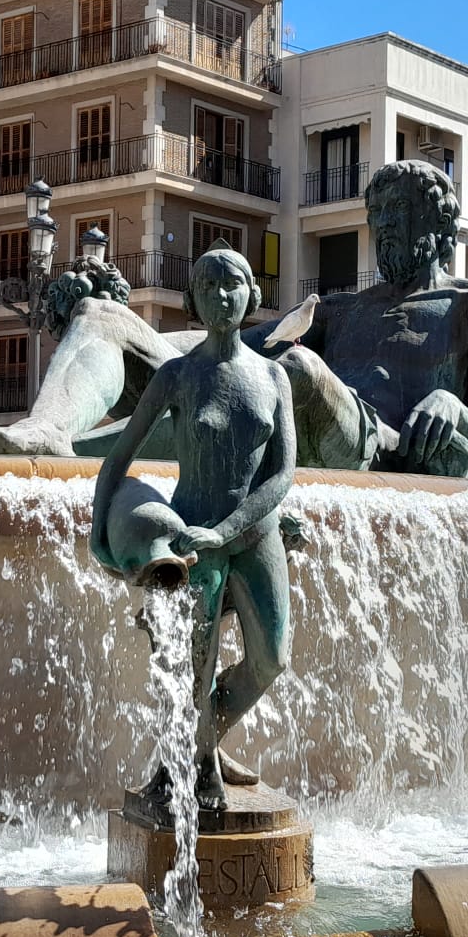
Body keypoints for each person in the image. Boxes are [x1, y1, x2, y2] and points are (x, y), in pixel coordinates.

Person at [0, 160, 468, 481]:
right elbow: (223, 342)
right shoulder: (341, 310)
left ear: (439, 224)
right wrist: (130, 337)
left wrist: (455, 410)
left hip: (378, 445)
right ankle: (45, 432)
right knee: (102, 315)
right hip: (299, 418)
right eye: (377, 214)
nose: (385, 225)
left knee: (294, 368)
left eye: (400, 210)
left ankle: (77, 456)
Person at [92, 246, 296, 811]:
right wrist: (100, 534)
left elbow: (282, 474)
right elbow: (118, 456)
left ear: (252, 295)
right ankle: (196, 768)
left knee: (271, 659)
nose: (220, 296)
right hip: (191, 543)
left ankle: (201, 741)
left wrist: (227, 530)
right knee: (195, 668)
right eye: (207, 286)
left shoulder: (274, 376)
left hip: (254, 536)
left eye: (231, 284)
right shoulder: (178, 375)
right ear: (193, 300)